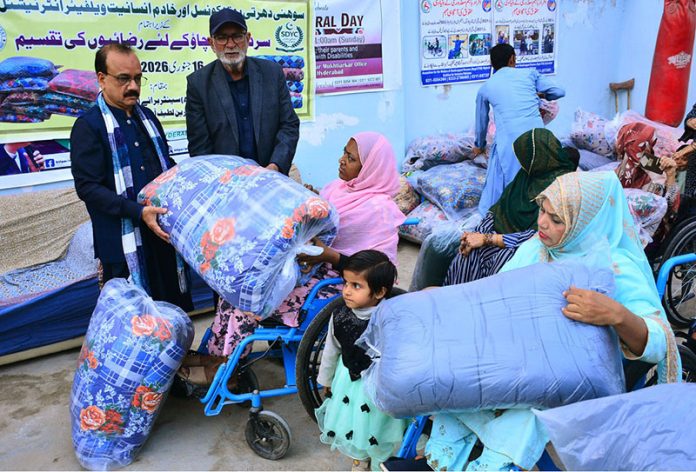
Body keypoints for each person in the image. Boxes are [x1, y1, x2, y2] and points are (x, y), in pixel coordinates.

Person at [425, 171, 680, 471]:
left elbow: (660, 340)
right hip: (516, 356)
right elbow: (498, 296)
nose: (542, 223)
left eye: (556, 219)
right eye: (542, 210)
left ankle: (494, 464)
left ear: (585, 224)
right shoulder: (537, 247)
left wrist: (617, 314)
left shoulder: (615, 268)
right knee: (459, 378)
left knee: (522, 416)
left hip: (568, 378)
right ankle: (438, 460)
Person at [178, 132, 404, 386]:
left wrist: (330, 256)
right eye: (344, 152)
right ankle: (216, 356)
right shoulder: (337, 189)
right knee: (237, 286)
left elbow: (379, 272)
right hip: (313, 270)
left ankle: (228, 370)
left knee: (251, 299)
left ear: (370, 169)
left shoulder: (379, 211)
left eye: (351, 158)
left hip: (339, 285)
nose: (341, 160)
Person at [70, 43, 192, 310]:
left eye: (137, 77)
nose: (133, 86)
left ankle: (179, 353)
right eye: (123, 78)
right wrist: (138, 212)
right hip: (122, 244)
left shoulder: (147, 118)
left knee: (171, 309)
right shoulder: (89, 127)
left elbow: (166, 169)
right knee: (135, 319)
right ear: (101, 78)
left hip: (160, 233)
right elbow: (88, 188)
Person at [444, 129, 579, 286]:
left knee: (500, 265)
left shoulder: (559, 186)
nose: (523, 163)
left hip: (526, 244)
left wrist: (488, 239)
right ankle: (455, 302)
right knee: (466, 255)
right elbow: (498, 209)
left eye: (526, 158)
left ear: (538, 158)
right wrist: (476, 235)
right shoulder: (527, 174)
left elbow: (537, 235)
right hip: (498, 236)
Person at [315, 250, 408, 471]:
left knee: (378, 424)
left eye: (356, 286)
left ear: (379, 291)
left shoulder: (392, 318)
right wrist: (326, 380)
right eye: (346, 283)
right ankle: (359, 459)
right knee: (352, 424)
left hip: (379, 386)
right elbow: (331, 349)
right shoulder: (339, 316)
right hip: (348, 383)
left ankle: (379, 462)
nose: (346, 291)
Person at [185, 8, 300, 175]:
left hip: (271, 175)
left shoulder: (272, 73)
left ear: (248, 39)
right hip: (225, 183)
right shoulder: (198, 84)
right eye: (222, 38)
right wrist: (224, 179)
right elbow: (199, 147)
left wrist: (274, 166)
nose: (230, 44)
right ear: (211, 43)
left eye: (237, 36)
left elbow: (289, 125)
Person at [473, 43, 565, 215]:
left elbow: (481, 123)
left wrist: (479, 145)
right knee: (542, 180)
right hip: (540, 139)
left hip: (510, 144)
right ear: (512, 59)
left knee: (504, 180)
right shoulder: (529, 74)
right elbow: (559, 92)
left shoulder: (485, 88)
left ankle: (505, 219)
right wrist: (542, 95)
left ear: (492, 65)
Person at [614, 122, 679, 247]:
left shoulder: (655, 168)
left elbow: (670, 210)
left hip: (648, 237)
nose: (637, 151)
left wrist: (670, 176)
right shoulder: (620, 168)